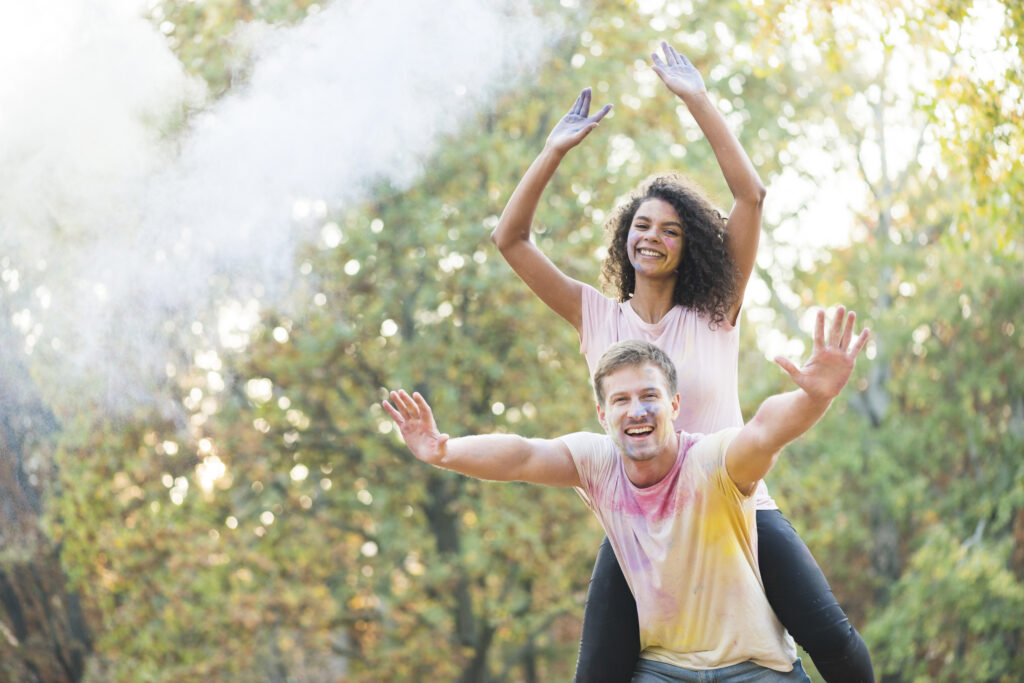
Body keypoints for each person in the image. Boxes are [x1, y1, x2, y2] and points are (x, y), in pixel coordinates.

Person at [490, 41, 874, 681]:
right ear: (625, 235)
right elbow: (510, 239)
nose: (653, 238)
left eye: (671, 230)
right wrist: (554, 148)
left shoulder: (716, 311)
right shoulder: (596, 316)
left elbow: (749, 197)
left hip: (733, 502)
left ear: (688, 245)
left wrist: (696, 98)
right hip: (639, 519)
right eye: (642, 225)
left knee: (832, 641)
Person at [382, 308, 869, 681]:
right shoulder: (598, 464)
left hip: (753, 668)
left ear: (674, 405)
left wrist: (815, 396)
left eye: (649, 396)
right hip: (664, 671)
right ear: (602, 413)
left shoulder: (712, 461)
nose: (637, 411)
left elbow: (764, 431)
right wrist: (443, 451)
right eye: (621, 400)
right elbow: (522, 456)